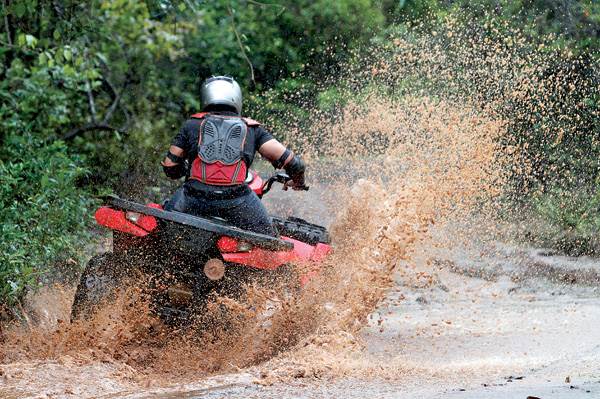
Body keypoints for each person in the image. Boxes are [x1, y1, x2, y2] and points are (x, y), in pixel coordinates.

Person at [161, 75, 306, 236]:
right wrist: (298, 182)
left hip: (192, 198)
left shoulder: (192, 125)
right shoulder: (252, 129)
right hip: (237, 201)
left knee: (163, 229)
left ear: (205, 97)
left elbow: (170, 166)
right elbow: (294, 164)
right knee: (268, 240)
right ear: (236, 98)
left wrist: (185, 170)